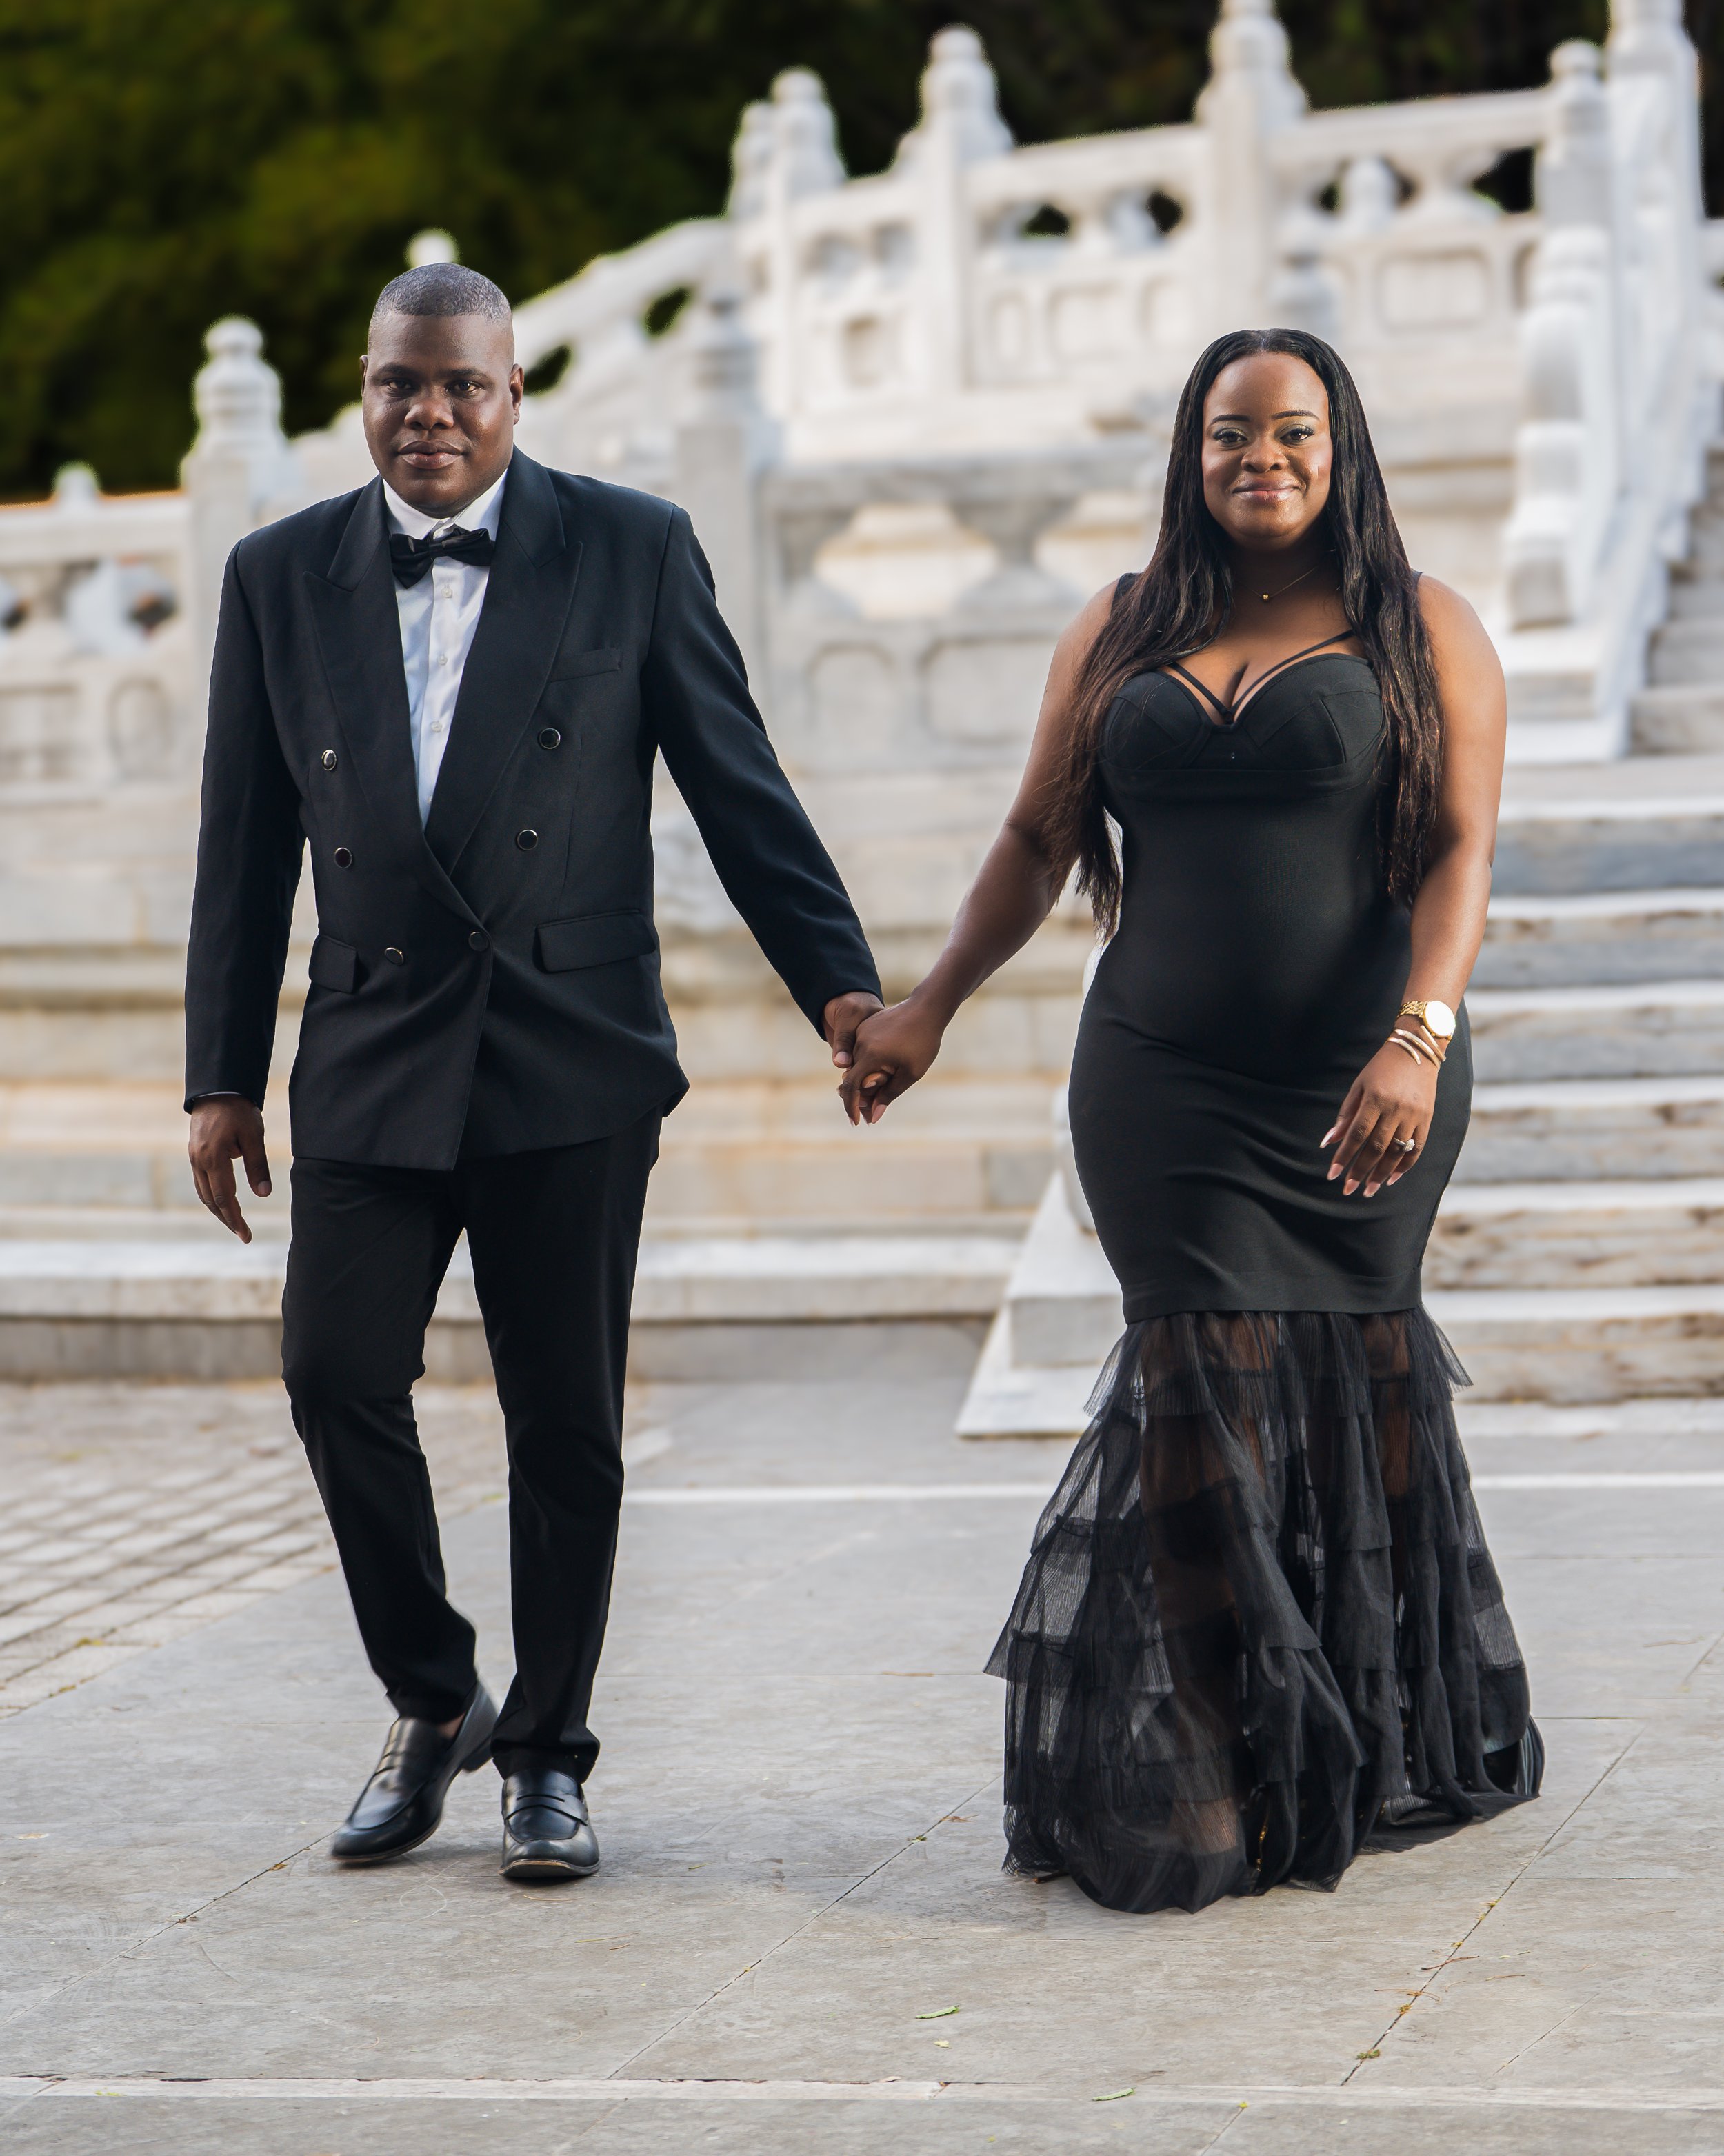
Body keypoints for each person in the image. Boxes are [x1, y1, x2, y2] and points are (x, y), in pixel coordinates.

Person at [185, 262, 881, 1881]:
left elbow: (737, 786)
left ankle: (547, 1755)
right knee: (332, 1376)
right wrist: (218, 1074)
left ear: (514, 395)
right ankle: (434, 1698)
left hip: (566, 1050)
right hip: (363, 1044)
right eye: (397, 386)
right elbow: (242, 844)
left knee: (563, 1421)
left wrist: (839, 992)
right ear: (362, 392)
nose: (427, 414)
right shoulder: (278, 572)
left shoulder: (627, 545)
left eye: (463, 388)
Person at [839, 327, 1541, 1915]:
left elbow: (1460, 853)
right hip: (1158, 1079)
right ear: (1190, 448)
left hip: (1363, 1073)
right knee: (1190, 1384)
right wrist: (929, 1004)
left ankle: (1353, 1732)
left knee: (1357, 1387)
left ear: (1338, 444)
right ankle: (1213, 1758)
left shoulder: (1420, 625)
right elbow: (1035, 834)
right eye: (1230, 433)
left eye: (1291, 431)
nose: (1260, 459)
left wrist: (1417, 1040)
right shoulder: (1118, 626)